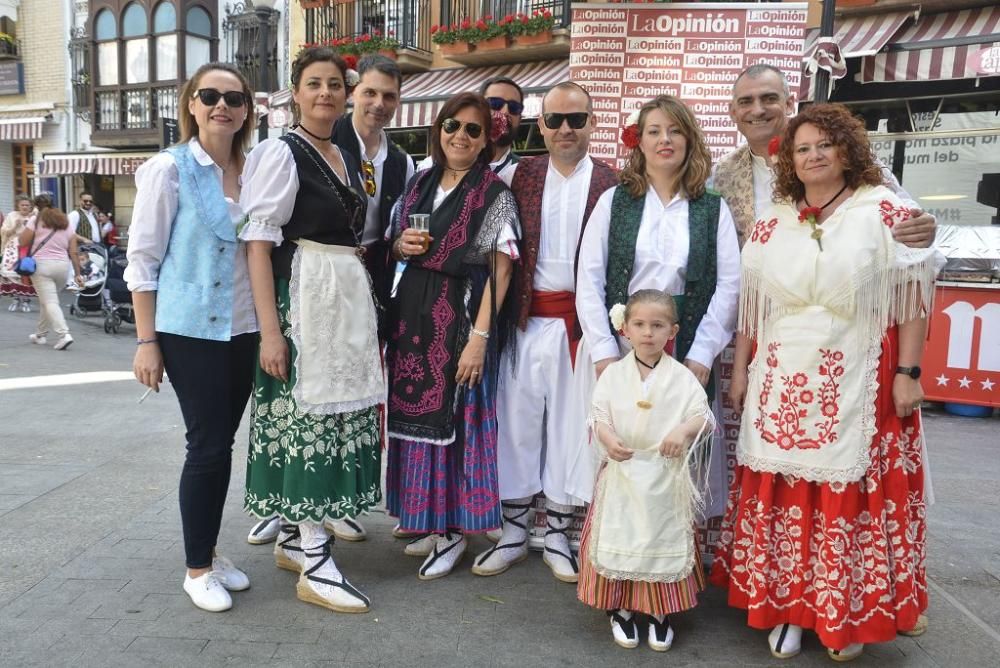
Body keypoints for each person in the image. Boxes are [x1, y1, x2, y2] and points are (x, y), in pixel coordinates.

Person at [710, 104, 945, 662]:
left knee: (852, 494)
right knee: (786, 490)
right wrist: (741, 369)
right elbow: (755, 307)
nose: (813, 156)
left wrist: (909, 374)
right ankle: (789, 610)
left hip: (861, 371)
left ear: (847, 149)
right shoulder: (775, 219)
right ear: (789, 161)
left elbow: (912, 294)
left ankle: (848, 614)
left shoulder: (884, 209)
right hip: (782, 376)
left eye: (824, 145)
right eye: (802, 148)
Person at [240, 47, 381, 614]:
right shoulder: (280, 150)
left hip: (341, 294)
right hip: (303, 298)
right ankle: (315, 555)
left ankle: (298, 539)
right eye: (313, 84)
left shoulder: (343, 152)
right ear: (294, 93)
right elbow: (258, 243)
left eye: (333, 85)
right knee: (307, 417)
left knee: (336, 414)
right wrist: (270, 334)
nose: (325, 93)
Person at [471, 81, 618, 583]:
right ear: (541, 125)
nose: (565, 129)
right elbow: (493, 250)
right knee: (515, 424)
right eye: (554, 120)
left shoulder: (614, 183)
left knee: (570, 428)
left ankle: (557, 533)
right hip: (524, 321)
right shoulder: (516, 174)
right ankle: (513, 531)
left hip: (582, 328)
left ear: (592, 123)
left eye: (576, 119)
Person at [126, 62, 258, 612]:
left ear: (248, 110)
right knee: (205, 445)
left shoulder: (255, 170)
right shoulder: (170, 168)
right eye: (209, 96)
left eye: (233, 97)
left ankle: (207, 547)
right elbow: (143, 257)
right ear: (191, 104)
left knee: (220, 444)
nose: (221, 105)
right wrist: (145, 340)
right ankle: (196, 567)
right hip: (187, 331)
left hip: (245, 328)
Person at [385, 92, 520, 580]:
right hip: (413, 321)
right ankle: (426, 522)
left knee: (456, 430)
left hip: (461, 319)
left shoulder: (493, 193)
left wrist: (480, 338)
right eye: (451, 126)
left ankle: (454, 533)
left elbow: (501, 272)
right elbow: (394, 243)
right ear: (437, 130)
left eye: (472, 130)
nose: (460, 136)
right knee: (415, 426)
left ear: (487, 140)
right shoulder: (419, 183)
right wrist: (401, 244)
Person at [576, 93, 739, 403]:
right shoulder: (614, 201)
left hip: (686, 343)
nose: (665, 139)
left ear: (689, 139)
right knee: (624, 439)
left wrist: (703, 352)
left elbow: (729, 286)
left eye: (675, 130)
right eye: (654, 131)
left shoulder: (712, 208)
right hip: (622, 345)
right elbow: (589, 278)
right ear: (640, 141)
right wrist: (604, 350)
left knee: (677, 441)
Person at [578, 290, 714, 652]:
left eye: (657, 325)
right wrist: (607, 438)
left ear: (673, 330)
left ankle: (660, 612)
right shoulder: (613, 374)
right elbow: (599, 414)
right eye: (639, 324)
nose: (648, 333)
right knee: (621, 537)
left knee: (659, 540)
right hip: (624, 470)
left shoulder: (682, 377)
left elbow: (702, 416)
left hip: (663, 475)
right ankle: (621, 608)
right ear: (625, 329)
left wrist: (683, 431)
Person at [714, 64, 935, 248]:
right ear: (732, 112)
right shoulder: (722, 174)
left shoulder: (835, 148)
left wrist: (920, 224)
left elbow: (900, 203)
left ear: (789, 103)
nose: (758, 110)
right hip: (759, 295)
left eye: (769, 98)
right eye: (746, 102)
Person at [415, 76, 522, 175]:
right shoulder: (429, 168)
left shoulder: (528, 175)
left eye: (514, 107)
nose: (505, 111)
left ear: (520, 118)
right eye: (495, 103)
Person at [19, 194, 82, 350]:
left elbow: (22, 242)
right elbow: (73, 251)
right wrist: (78, 274)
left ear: (36, 206)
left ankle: (64, 334)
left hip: (42, 266)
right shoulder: (65, 222)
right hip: (63, 266)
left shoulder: (36, 220)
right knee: (46, 301)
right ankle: (40, 334)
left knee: (50, 302)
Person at [1, 193, 37, 312]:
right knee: (13, 273)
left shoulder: (34, 216)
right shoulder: (12, 216)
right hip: (13, 246)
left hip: (29, 246)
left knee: (26, 272)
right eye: (22, 205)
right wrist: (14, 227)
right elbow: (4, 231)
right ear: (18, 205)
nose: (25, 207)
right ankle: (16, 298)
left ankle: (26, 299)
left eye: (27, 205)